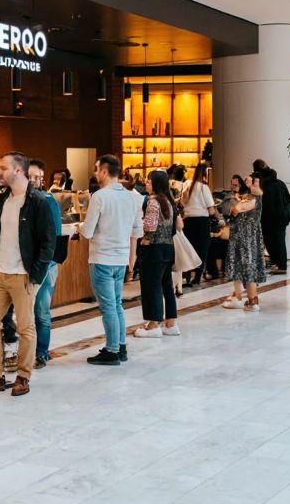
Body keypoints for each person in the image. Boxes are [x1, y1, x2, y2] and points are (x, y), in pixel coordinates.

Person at [0, 152, 55, 396]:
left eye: (3, 168)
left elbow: (48, 243)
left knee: (25, 327)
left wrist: (35, 276)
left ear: (18, 171)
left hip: (22, 274)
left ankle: (23, 377)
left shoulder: (38, 202)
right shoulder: (3, 198)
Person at [79, 154, 143, 366]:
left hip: (102, 258)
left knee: (108, 306)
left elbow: (87, 232)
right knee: (117, 305)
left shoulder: (99, 196)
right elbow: (137, 230)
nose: (95, 173)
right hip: (121, 258)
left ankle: (112, 349)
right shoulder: (133, 197)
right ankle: (121, 345)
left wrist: (79, 228)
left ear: (105, 171)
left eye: (97, 169)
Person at [26, 159, 67, 370]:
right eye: (31, 176)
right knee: (22, 313)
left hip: (45, 264)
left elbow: (56, 235)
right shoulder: (18, 200)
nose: (34, 181)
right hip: (22, 265)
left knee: (41, 310)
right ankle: (22, 353)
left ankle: (41, 352)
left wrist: (44, 262)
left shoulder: (48, 200)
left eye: (38, 178)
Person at [134, 169, 181, 338]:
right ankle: (171, 322)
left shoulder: (153, 202)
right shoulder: (169, 201)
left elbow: (149, 226)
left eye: (148, 180)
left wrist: (141, 226)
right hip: (168, 248)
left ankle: (153, 324)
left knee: (151, 286)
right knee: (166, 285)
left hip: (153, 249)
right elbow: (178, 225)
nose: (146, 183)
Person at [223, 174, 268, 311]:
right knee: (239, 265)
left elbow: (236, 210)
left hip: (247, 238)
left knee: (248, 267)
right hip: (241, 237)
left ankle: (252, 300)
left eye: (251, 182)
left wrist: (237, 203)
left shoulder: (256, 199)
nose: (247, 184)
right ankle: (240, 297)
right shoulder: (250, 198)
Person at [252, 159, 290, 274]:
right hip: (281, 218)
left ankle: (278, 264)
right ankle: (281, 265)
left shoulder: (263, 186)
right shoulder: (280, 183)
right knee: (280, 241)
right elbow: (288, 199)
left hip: (268, 219)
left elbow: (262, 204)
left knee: (270, 241)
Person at [179, 164, 217, 287]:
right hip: (201, 222)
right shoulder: (203, 188)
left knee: (189, 249)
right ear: (205, 174)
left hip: (188, 221)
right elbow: (211, 210)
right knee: (202, 249)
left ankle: (187, 276)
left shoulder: (187, 185)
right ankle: (197, 277)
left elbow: (182, 204)